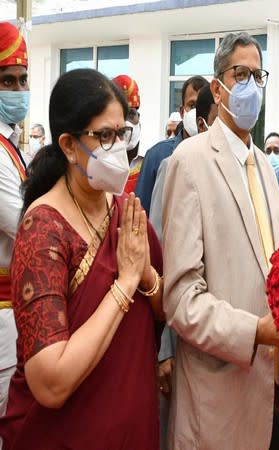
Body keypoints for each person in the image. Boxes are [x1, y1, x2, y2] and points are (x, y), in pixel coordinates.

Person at [0, 68, 164, 449]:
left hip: (132, 427)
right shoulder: (43, 228)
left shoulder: (128, 213)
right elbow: (50, 382)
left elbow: (163, 311)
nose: (117, 147)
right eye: (103, 136)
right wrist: (124, 284)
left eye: (121, 133)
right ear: (70, 146)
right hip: (64, 435)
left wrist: (146, 276)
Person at [162, 32, 279, 449]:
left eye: (258, 75)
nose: (251, 85)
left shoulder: (265, 170)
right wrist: (255, 331)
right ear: (217, 88)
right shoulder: (190, 161)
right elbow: (182, 299)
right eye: (241, 74)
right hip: (217, 396)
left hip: (271, 389)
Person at [148, 81, 217, 450]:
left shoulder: (244, 173)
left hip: (217, 350)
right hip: (177, 341)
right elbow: (159, 260)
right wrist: (164, 351)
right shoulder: (175, 165)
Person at [0, 22, 28, 419]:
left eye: (23, 80)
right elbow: (26, 226)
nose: (19, 90)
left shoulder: (11, 143)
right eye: (8, 81)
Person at [135, 75, 210, 212]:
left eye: (201, 106)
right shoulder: (157, 156)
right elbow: (141, 211)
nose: (197, 112)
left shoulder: (217, 156)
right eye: (192, 105)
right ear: (182, 112)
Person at [112, 74, 143, 193]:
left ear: (138, 118)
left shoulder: (151, 162)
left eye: (130, 114)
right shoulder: (99, 164)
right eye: (119, 115)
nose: (125, 124)